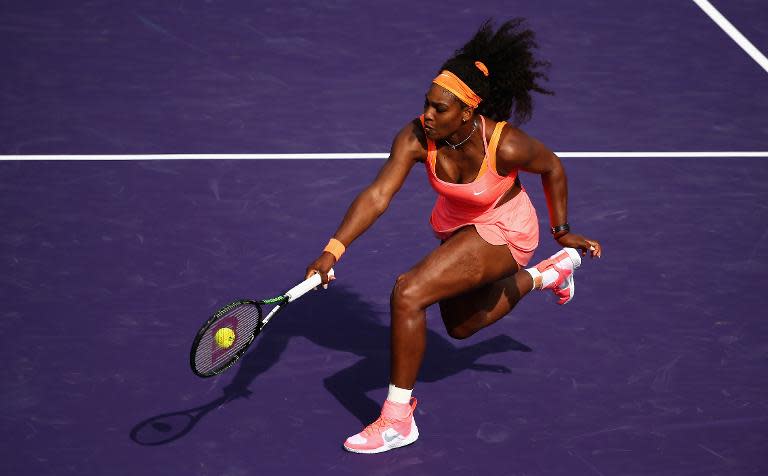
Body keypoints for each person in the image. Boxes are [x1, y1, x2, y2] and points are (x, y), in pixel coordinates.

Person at [304, 18, 602, 454]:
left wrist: (562, 231)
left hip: (505, 228)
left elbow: (553, 166)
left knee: (408, 292)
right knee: (462, 326)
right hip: (459, 229)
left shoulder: (505, 144)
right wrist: (333, 250)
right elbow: (378, 194)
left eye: (439, 109)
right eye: (426, 104)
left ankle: (397, 420)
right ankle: (548, 276)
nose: (427, 115)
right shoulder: (415, 136)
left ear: (467, 111)